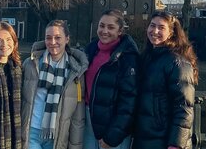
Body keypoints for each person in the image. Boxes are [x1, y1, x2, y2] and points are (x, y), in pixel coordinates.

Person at [132, 11, 199, 149]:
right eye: (152, 25)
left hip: (165, 140)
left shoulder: (177, 63)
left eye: (161, 27)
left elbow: (184, 107)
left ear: (171, 33)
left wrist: (176, 144)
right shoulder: (147, 57)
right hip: (146, 137)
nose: (155, 31)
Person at [21, 20, 88, 149]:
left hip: (57, 136)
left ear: (67, 39)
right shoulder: (30, 64)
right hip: (31, 131)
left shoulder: (76, 71)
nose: (52, 42)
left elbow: (78, 115)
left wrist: (75, 146)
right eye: (48, 38)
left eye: (58, 37)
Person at [83, 9, 138, 149]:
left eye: (111, 27)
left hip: (113, 129)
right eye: (101, 26)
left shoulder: (128, 57)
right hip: (88, 123)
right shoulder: (90, 50)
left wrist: (112, 137)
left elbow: (129, 102)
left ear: (120, 31)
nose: (104, 31)